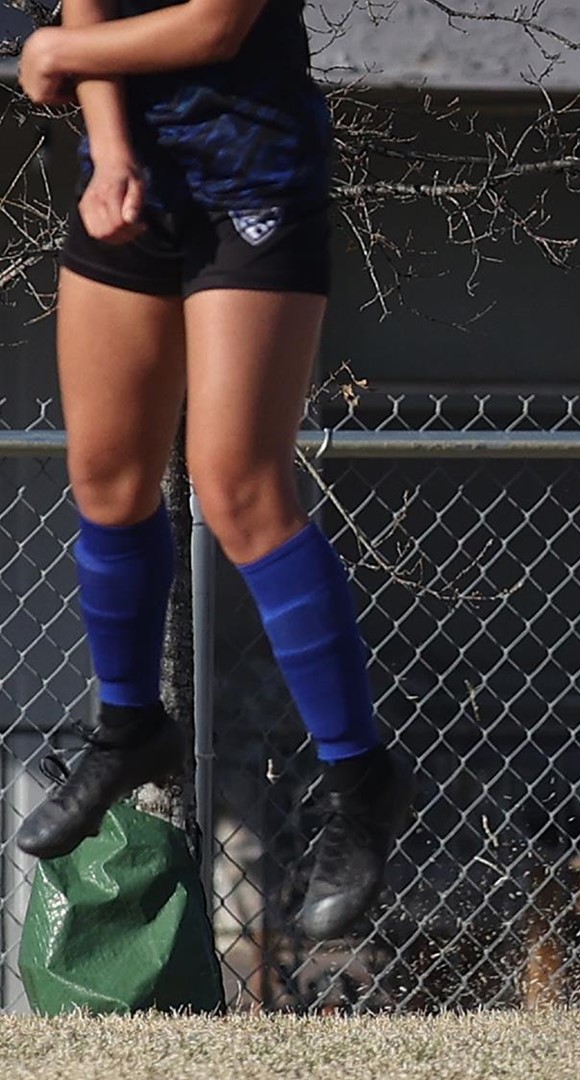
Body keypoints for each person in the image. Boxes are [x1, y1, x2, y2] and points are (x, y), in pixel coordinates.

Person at [12, 0, 413, 939]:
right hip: (137, 177)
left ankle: (362, 780)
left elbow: (215, 26)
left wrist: (62, 52)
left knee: (238, 487)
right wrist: (109, 151)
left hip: (254, 182)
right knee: (107, 478)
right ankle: (129, 728)